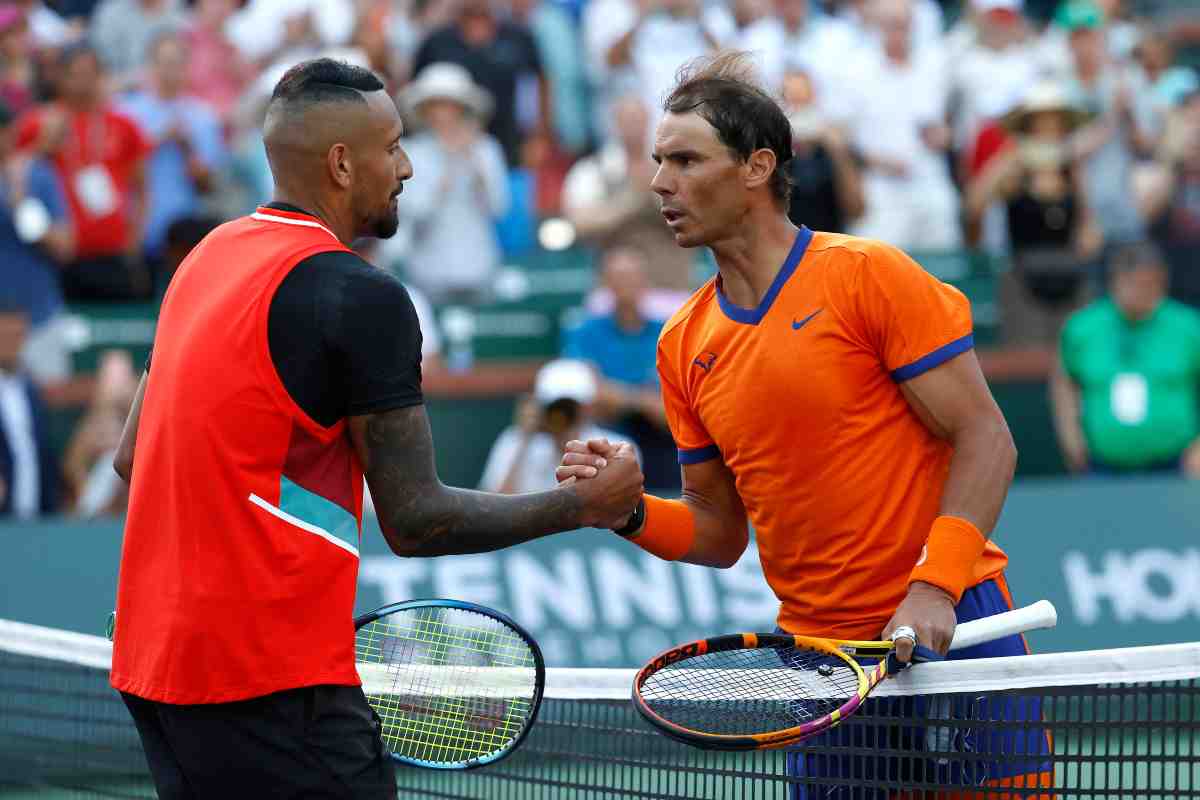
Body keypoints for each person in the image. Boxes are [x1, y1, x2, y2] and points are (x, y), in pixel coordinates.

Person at [108, 58, 642, 799]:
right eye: (392, 146)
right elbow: (417, 520)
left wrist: (287, 548)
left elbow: (136, 456)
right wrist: (585, 506)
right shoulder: (364, 297)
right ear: (340, 162)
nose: (407, 166)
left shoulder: (205, 257)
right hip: (269, 683)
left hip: (154, 671)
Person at [557, 53, 1050, 796]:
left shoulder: (867, 275)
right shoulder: (682, 344)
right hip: (824, 660)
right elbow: (718, 532)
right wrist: (627, 513)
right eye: (659, 161)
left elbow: (987, 437)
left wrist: (936, 586)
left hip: (956, 616)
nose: (660, 181)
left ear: (757, 168)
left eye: (686, 160)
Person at [966, 79, 1104, 345]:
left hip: (1068, 277)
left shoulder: (1073, 171)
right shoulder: (1014, 170)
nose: (1049, 131)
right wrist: (1009, 159)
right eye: (1041, 123)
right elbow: (974, 204)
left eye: (1055, 123)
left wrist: (1088, 238)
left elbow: (1089, 230)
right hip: (1023, 280)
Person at [15, 43, 153, 300]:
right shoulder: (39, 123)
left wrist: (135, 240)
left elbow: (142, 187)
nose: (84, 83)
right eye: (76, 75)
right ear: (61, 77)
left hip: (113, 252)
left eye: (90, 74)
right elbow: (16, 176)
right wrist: (43, 145)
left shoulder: (123, 125)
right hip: (59, 253)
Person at [1051, 241, 1200, 477]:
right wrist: (1071, 437)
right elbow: (1065, 382)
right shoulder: (1083, 327)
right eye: (1139, 284)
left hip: (1176, 465)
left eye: (1154, 285)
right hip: (1102, 467)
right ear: (1116, 281)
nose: (1147, 293)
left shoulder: (1188, 326)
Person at [563, 247, 678, 489]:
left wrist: (621, 396)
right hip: (604, 437)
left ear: (645, 281)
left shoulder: (668, 331)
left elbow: (672, 410)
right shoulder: (585, 332)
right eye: (618, 278)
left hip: (662, 441)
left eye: (632, 277)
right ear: (606, 283)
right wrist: (643, 400)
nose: (626, 285)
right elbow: (591, 395)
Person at [394, 62, 509, 305]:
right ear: (425, 111)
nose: (443, 113)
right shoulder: (412, 153)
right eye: (436, 105)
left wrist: (472, 161)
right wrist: (447, 166)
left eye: (450, 105)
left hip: (479, 270)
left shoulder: (486, 149)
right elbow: (416, 214)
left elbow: (499, 208)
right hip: (430, 275)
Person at [119, 30, 227, 278]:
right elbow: (118, 169)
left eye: (177, 63)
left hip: (183, 235)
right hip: (137, 228)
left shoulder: (203, 116)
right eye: (164, 63)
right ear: (151, 66)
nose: (171, 70)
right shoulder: (127, 112)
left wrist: (187, 146)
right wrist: (157, 139)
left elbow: (207, 184)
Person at [480, 359, 634, 494]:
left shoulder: (618, 449)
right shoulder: (514, 442)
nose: (563, 414)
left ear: (588, 407)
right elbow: (495, 509)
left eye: (570, 406)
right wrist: (525, 437)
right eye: (557, 406)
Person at [0, 302, 58, 518]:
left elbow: (41, 451)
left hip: (37, 519)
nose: (11, 343)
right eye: (4, 335)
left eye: (17, 335)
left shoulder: (30, 391)